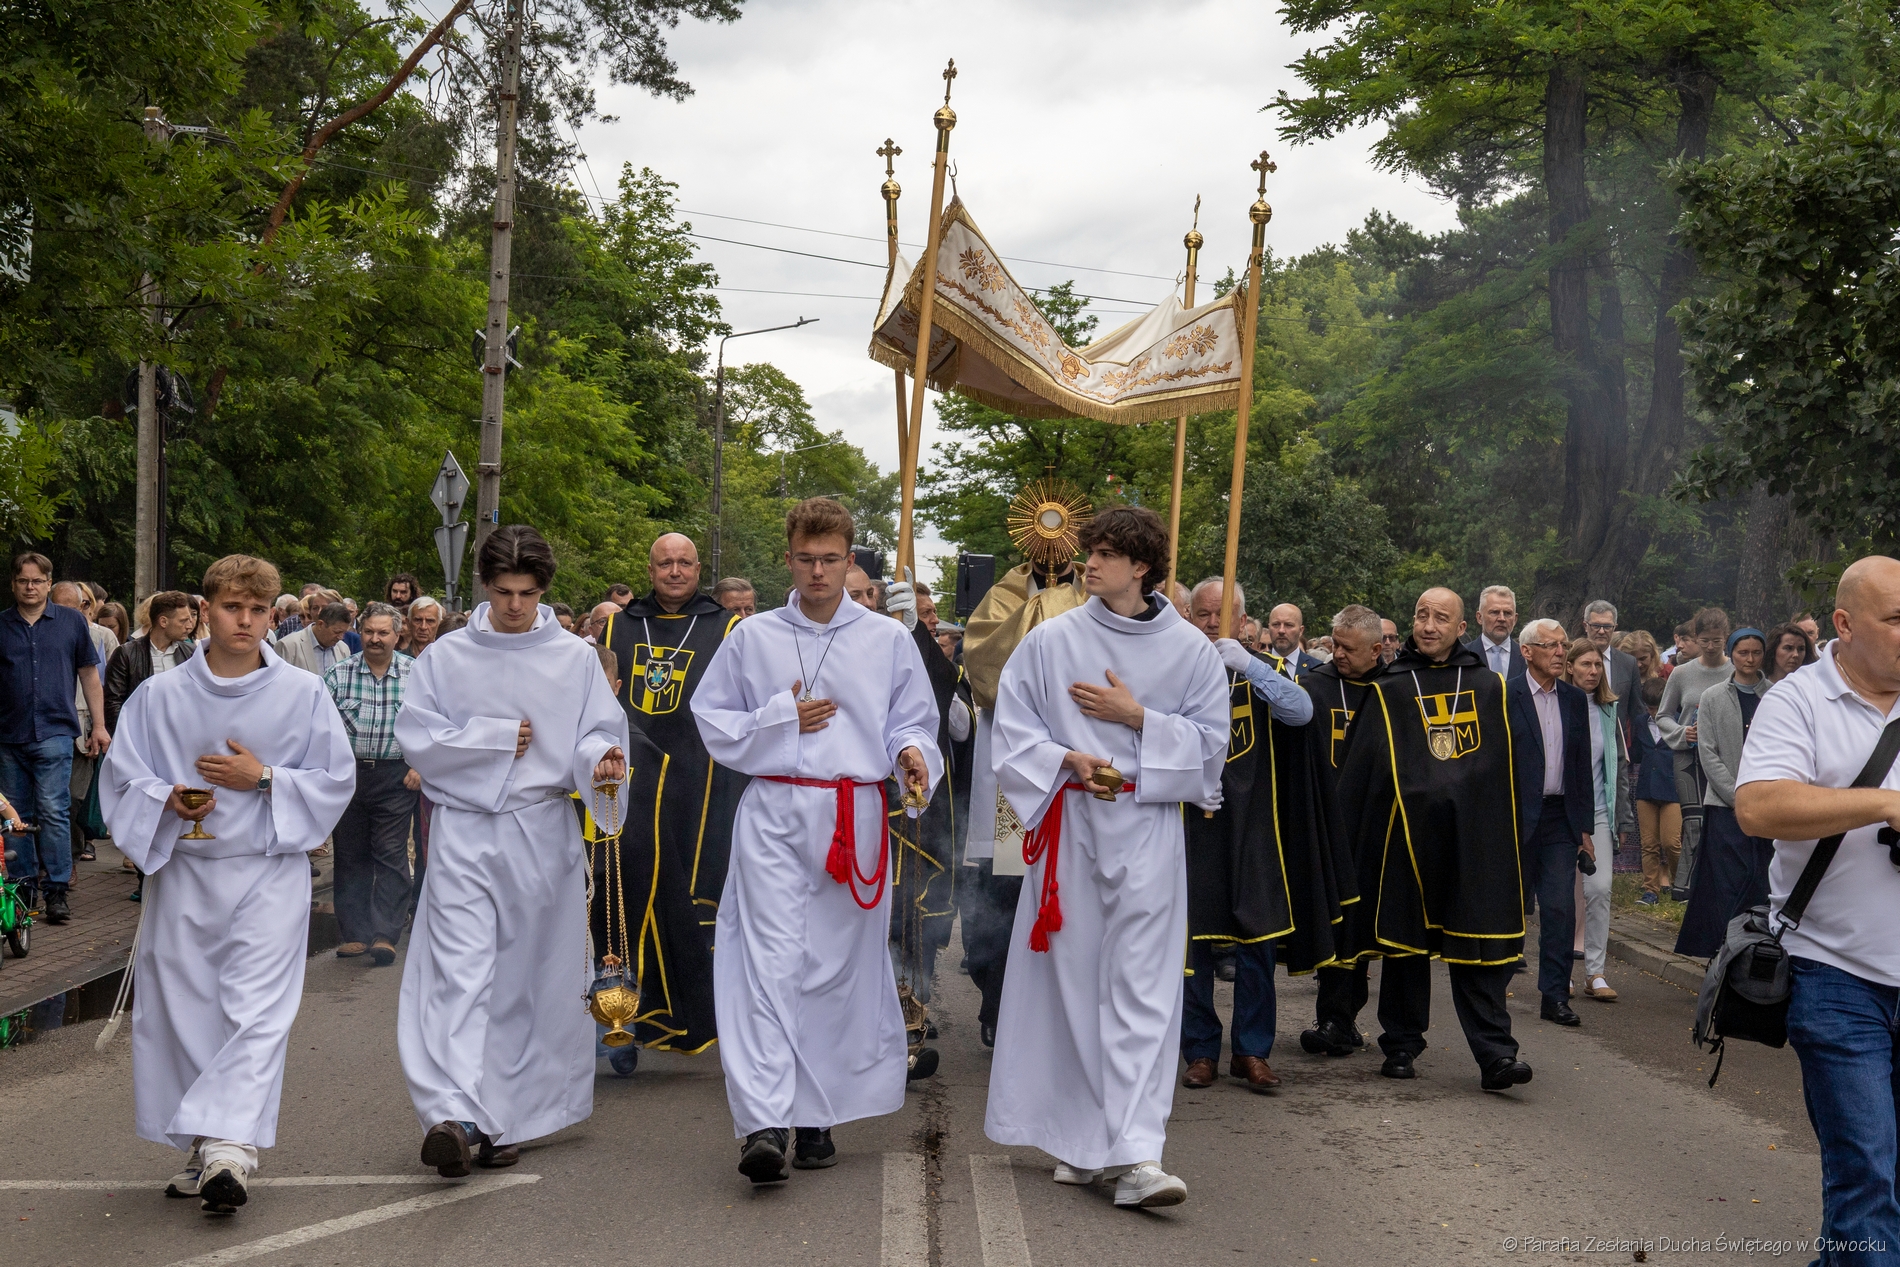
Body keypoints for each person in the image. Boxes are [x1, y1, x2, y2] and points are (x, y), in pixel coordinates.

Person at [983, 506, 1228, 1210]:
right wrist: (1068, 757)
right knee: (1074, 988)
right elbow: (1013, 729)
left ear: (1142, 566)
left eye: (1106, 554)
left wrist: (1138, 719)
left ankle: (1135, 1155)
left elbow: (1213, 752)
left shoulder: (1191, 651)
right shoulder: (1052, 640)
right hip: (1072, 831)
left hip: (1148, 830)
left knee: (1142, 992)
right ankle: (1082, 1140)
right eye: (1089, 551)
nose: (1088, 563)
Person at [689, 497, 940, 1184]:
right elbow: (713, 719)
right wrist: (781, 717)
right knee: (767, 963)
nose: (819, 571)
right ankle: (764, 1122)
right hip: (774, 809)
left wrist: (911, 754)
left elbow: (912, 721)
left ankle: (816, 1115)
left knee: (835, 968)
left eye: (831, 559)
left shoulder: (887, 639)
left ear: (850, 559)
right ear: (789, 559)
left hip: (851, 815)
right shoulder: (753, 636)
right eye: (806, 559)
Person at [98, 554, 355, 1215]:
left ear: (272, 616)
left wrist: (263, 777)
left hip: (267, 870)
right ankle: (205, 1142)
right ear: (204, 612)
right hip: (185, 874)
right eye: (232, 607)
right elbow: (122, 778)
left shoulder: (303, 694)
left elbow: (334, 778)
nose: (245, 620)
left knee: (258, 1011)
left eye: (258, 609)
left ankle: (230, 1150)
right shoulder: (159, 696)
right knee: (185, 1012)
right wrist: (165, 799)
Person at [394, 525, 629, 1177]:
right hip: (464, 828)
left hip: (541, 828)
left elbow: (596, 733)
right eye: (503, 592)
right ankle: (453, 1113)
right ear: (485, 586)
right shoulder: (446, 656)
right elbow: (418, 736)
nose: (516, 606)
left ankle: (503, 1119)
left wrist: (602, 761)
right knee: (458, 973)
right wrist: (494, 737)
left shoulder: (575, 658)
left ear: (544, 590)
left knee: (527, 980)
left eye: (528, 593)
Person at [1733, 556, 1900, 1259]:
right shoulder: (1797, 699)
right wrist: (1884, 804)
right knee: (1867, 1172)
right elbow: (1758, 806)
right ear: (1845, 624)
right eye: (1897, 619)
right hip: (1835, 973)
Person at [1335, 588, 1533, 1090]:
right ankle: (1401, 1045)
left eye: (1440, 618)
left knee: (1476, 945)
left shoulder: (1488, 686)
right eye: (1421, 615)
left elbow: (1511, 767)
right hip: (1406, 837)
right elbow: (1364, 773)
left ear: (1461, 627)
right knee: (1406, 944)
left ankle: (1496, 1056)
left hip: (1472, 837)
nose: (1428, 625)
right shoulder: (1389, 688)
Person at [1180, 576, 1337, 1094]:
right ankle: (1200, 1049)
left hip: (1255, 822)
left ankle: (1252, 1050)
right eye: (1203, 614)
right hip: (1193, 821)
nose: (1212, 624)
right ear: (1189, 618)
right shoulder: (1173, 668)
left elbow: (1301, 711)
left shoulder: (1262, 669)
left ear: (1244, 621)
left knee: (1258, 940)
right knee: (1194, 942)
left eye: (1222, 615)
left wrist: (1249, 666)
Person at [599, 531, 738, 1049]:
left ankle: (704, 1013)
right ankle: (626, 1013)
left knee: (696, 900)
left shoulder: (727, 627)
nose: (675, 571)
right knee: (630, 895)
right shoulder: (616, 625)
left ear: (699, 569)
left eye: (684, 563)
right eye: (665, 563)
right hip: (631, 780)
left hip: (702, 782)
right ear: (650, 570)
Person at [957, 555, 1087, 1049]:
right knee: (1003, 897)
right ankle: (996, 1003)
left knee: (1067, 893)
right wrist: (1039, 610)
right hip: (1011, 775)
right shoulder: (1002, 599)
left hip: (1074, 766)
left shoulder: (1094, 599)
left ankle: (1055, 1013)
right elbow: (984, 673)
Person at [1, 553, 108, 925]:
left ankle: (57, 890)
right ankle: (23, 888)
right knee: (16, 815)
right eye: (23, 581)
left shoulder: (71, 622)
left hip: (55, 730)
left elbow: (89, 675)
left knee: (54, 810)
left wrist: (99, 725)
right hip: (8, 733)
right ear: (13, 584)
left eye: (37, 581)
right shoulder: (2, 625)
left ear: (48, 583)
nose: (30, 587)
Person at [1299, 604, 1386, 1056]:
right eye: (1334, 645)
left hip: (1376, 824)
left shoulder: (1393, 689)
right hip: (1326, 822)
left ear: (1376, 649)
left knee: (1366, 926)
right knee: (1334, 923)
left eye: (1348, 649)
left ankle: (1349, 1018)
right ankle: (1334, 1017)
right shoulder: (1313, 687)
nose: (1337, 655)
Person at [1506, 618, 1594, 1027]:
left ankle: (1555, 996)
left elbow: (1580, 766)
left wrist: (1585, 828)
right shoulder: (1506, 695)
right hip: (1515, 817)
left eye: (1564, 645)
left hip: (1560, 819)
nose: (1561, 652)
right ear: (1527, 652)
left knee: (1559, 908)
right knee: (1509, 907)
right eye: (1551, 645)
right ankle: (1492, 989)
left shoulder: (1574, 699)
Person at [323, 602, 420, 967]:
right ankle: (355, 933)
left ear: (398, 634)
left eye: (383, 632)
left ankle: (385, 934)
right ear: (359, 632)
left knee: (391, 852)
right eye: (369, 632)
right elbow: (318, 727)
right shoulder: (338, 675)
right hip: (348, 775)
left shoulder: (417, 675)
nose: (375, 639)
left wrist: (421, 765)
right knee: (350, 854)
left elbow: (434, 724)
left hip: (397, 776)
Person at [1674, 628, 1773, 958]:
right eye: (1743, 652)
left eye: (1756, 653)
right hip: (1723, 805)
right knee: (1725, 882)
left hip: (1766, 804)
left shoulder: (1774, 695)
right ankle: (1720, 951)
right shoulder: (1713, 696)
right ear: (1732, 654)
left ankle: (1754, 950)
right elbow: (1708, 751)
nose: (1749, 659)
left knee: (1759, 878)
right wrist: (1735, 794)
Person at [1564, 638, 1632, 1003]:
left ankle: (1596, 972)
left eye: (1597, 665)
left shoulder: (1609, 709)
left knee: (1600, 889)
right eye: (1585, 664)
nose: (1592, 671)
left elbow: (1618, 767)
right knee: (1563, 895)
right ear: (1570, 667)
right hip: (1561, 812)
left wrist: (1623, 818)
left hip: (1600, 811)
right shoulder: (1559, 703)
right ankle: (1560, 972)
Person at [1656, 607, 1732, 897]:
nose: (1711, 647)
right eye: (1705, 640)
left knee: (1725, 819)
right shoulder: (1682, 673)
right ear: (1695, 638)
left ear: (1726, 638)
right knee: (1694, 822)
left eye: (1717, 640)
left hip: (1727, 757)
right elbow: (1663, 715)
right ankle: (1687, 889)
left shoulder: (1736, 671)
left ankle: (1720, 884)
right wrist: (1682, 732)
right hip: (1689, 757)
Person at [53, 581, 119, 862]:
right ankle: (55, 860)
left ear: (84, 606)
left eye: (70, 608)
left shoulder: (101, 636)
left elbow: (107, 684)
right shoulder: (40, 631)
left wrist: (100, 727)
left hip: (83, 726)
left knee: (74, 798)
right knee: (48, 799)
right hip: (49, 727)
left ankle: (73, 852)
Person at [106, 591, 198, 735]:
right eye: (183, 621)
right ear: (163, 622)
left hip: (182, 734)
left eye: (190, 619)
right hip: (141, 734)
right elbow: (113, 703)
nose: (189, 626)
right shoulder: (126, 653)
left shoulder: (191, 653)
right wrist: (127, 737)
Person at [1633, 675, 1681, 906]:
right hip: (1646, 788)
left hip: (1673, 789)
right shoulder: (1641, 722)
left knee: (1671, 842)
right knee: (1649, 844)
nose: (1653, 712)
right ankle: (1650, 889)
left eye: (1657, 707)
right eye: (1649, 708)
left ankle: (1680, 884)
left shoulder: (1679, 721)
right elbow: (1636, 753)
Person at [1463, 585, 1525, 681]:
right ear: (1479, 617)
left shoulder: (1528, 658)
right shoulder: (1463, 656)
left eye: (1507, 613)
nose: (1502, 618)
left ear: (1515, 619)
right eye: (1495, 612)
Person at [277, 602, 352, 676]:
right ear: (320, 624)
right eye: (337, 632)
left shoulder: (343, 649)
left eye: (344, 633)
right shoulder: (287, 646)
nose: (341, 637)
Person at [1264, 602, 1321, 677]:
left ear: (1300, 631)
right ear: (1269, 628)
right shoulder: (1255, 664)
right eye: (1276, 625)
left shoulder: (1317, 669)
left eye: (1289, 625)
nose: (1281, 630)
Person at [1764, 621, 1817, 686]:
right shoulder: (1758, 687)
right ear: (1773, 649)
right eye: (1788, 648)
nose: (1796, 654)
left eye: (1801, 649)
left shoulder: (1812, 686)